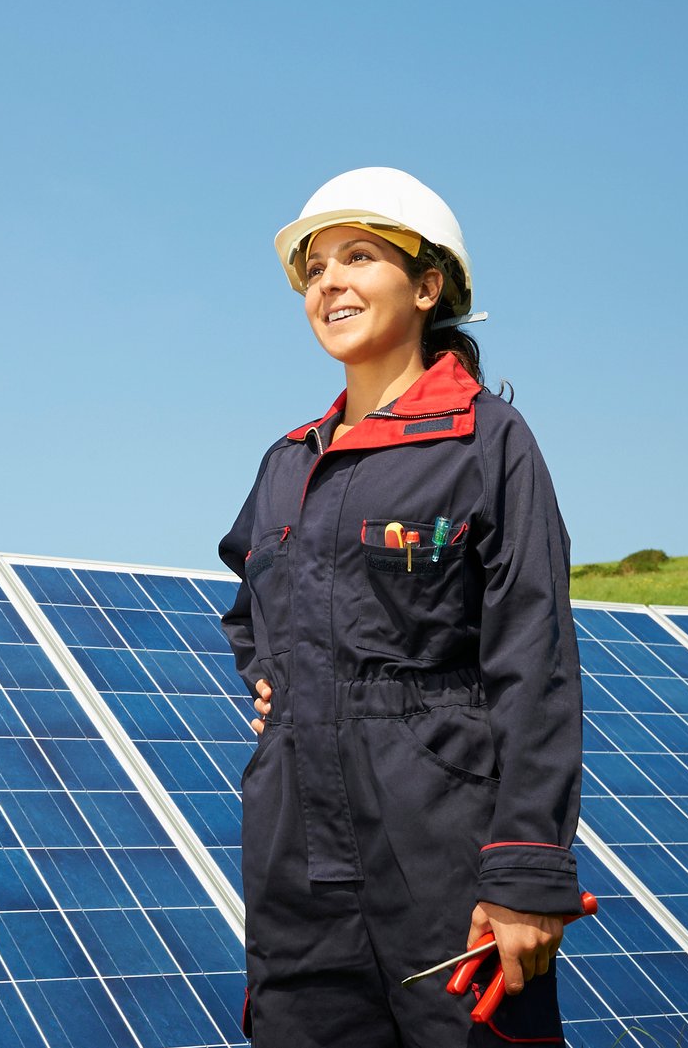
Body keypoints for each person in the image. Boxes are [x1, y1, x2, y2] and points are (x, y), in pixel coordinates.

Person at [219, 167, 586, 1046]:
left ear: (427, 287)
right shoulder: (286, 462)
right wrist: (272, 676)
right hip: (294, 858)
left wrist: (524, 873)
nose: (328, 282)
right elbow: (250, 607)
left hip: (440, 851)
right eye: (314, 268)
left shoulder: (485, 442)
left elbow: (533, 657)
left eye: (358, 256)